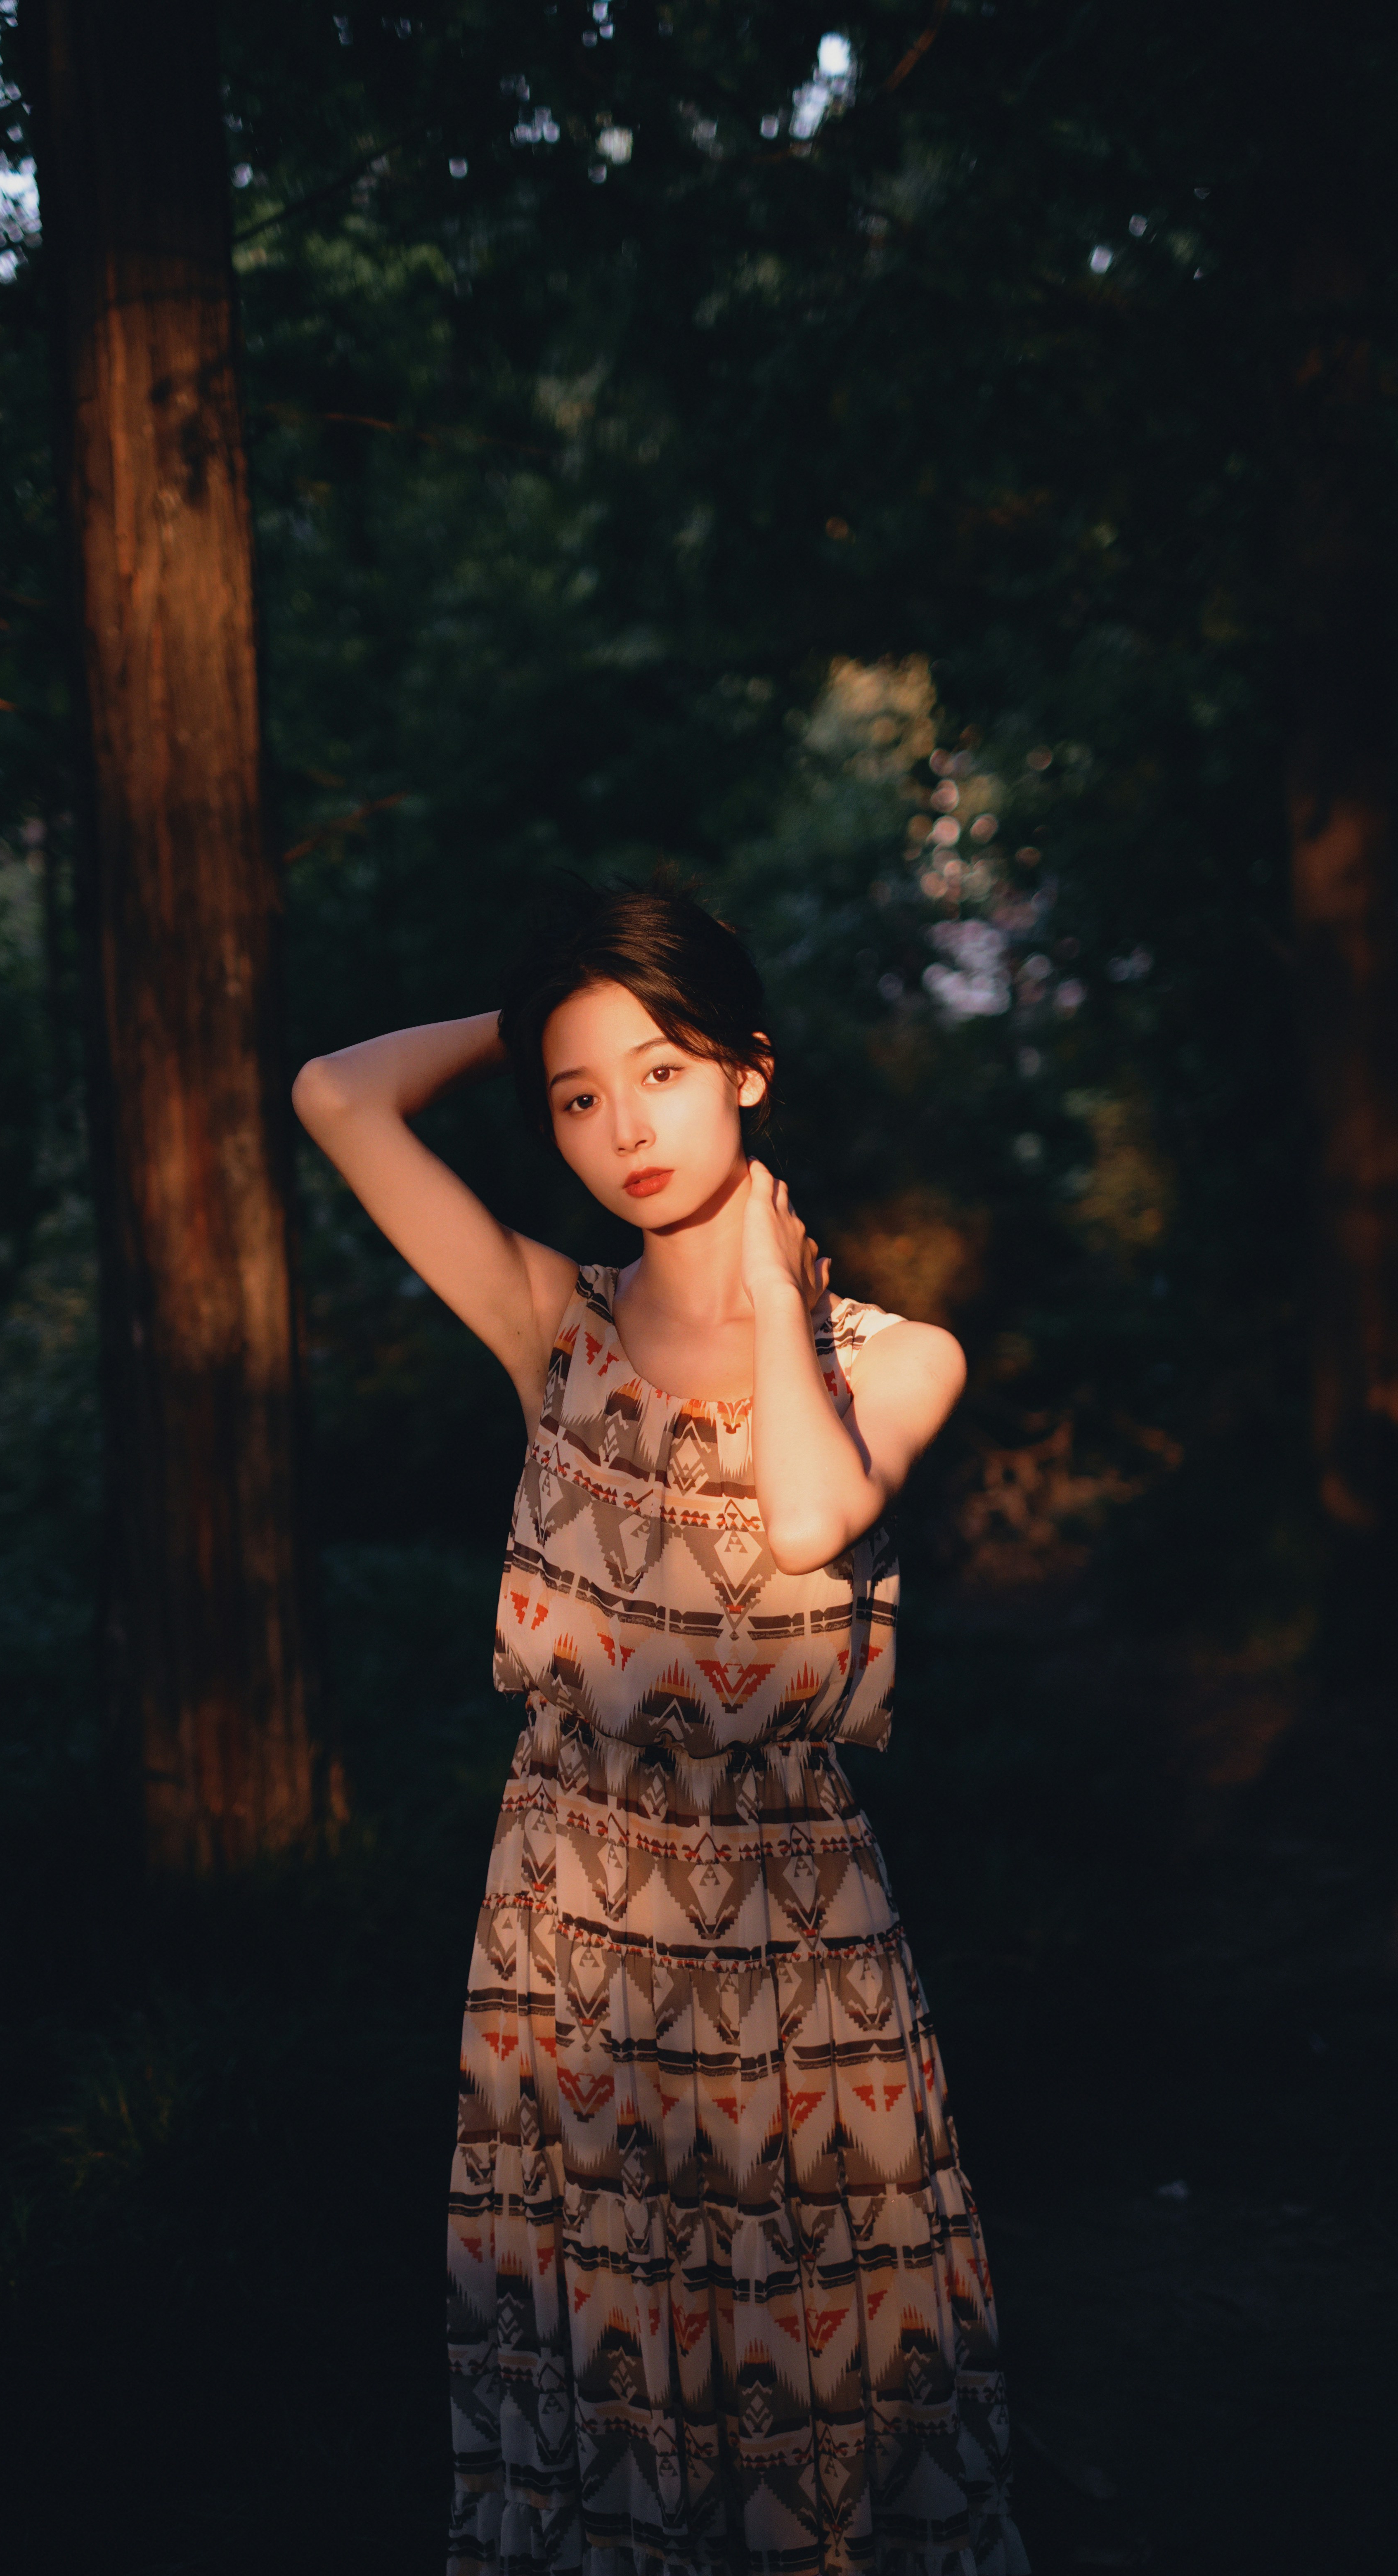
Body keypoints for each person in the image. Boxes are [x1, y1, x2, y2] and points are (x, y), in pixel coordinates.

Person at [292, 883, 1026, 2576]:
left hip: (795, 1947)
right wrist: (537, 1001)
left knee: (820, 2370)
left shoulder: (894, 1356)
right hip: (570, 1938)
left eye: (663, 1068)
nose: (620, 1124)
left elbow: (800, 1519)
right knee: (605, 2370)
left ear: (749, 1073)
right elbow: (335, 1093)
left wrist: (768, 1294)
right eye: (575, 1094)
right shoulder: (553, 1324)